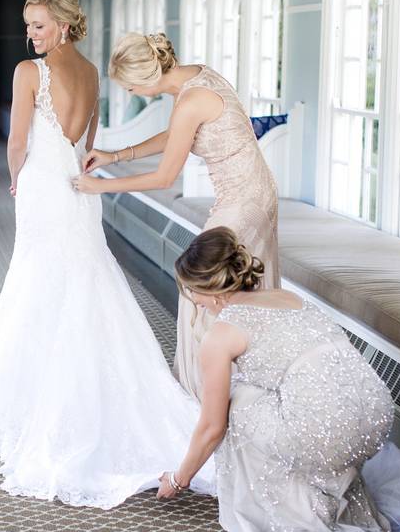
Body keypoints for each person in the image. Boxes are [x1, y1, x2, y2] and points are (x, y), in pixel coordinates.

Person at [0, 0, 215, 509]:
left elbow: (17, 141)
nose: (30, 36)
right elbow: (87, 138)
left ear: (65, 25)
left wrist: (14, 179)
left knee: (36, 285)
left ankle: (38, 413)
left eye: (39, 26)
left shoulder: (30, 73)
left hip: (42, 187)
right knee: (83, 280)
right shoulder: (93, 73)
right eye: (28, 26)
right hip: (77, 188)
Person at [160, 227, 400, 532]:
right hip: (375, 415)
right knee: (271, 396)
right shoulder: (288, 297)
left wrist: (178, 479)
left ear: (207, 288)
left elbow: (211, 428)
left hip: (325, 431)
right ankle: (318, 495)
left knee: (236, 400)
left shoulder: (221, 334)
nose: (194, 301)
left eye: (190, 292)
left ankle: (287, 513)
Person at [72, 34, 279, 401]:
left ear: (148, 76)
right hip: (254, 192)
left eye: (131, 86)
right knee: (229, 289)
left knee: (201, 286)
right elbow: (176, 135)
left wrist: (98, 187)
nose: (133, 93)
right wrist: (116, 156)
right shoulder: (198, 76)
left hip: (244, 201)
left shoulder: (190, 100)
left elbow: (164, 177)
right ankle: (232, 386)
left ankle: (208, 395)